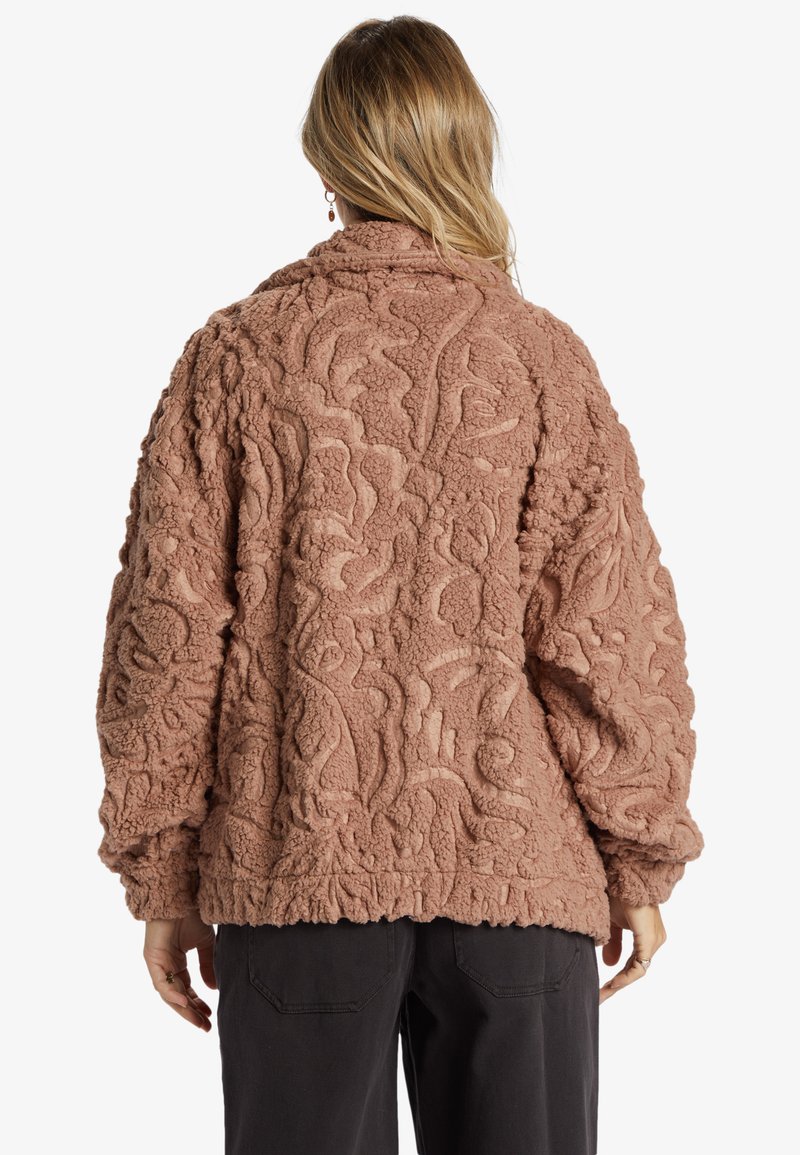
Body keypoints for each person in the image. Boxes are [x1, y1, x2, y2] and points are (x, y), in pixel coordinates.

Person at [94, 15, 704, 1155]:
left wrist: (164, 875)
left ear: (326, 158)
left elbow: (165, 638)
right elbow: (609, 628)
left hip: (297, 870)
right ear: (464, 149)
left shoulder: (236, 356)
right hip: (517, 875)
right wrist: (638, 854)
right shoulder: (540, 359)